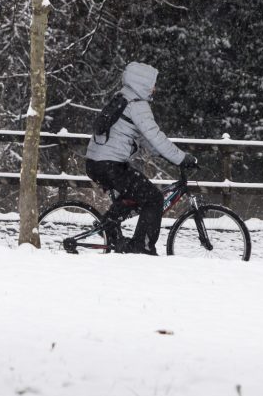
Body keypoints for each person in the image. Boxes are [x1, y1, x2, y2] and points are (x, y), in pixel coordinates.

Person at [85, 61, 198, 255]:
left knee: (136, 193)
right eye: (152, 83)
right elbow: (156, 136)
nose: (154, 88)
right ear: (143, 82)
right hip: (110, 165)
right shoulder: (137, 105)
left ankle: (108, 225)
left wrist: (166, 156)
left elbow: (147, 141)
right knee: (153, 198)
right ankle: (142, 246)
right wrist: (181, 158)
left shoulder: (123, 97)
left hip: (98, 163)